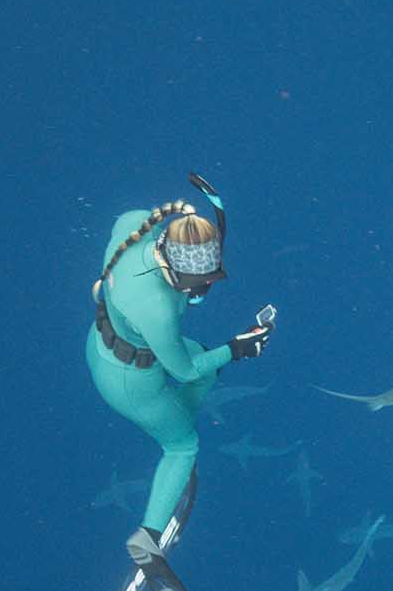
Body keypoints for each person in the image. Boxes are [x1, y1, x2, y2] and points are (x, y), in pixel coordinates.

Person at [85, 175, 272, 568]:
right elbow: (184, 372)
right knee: (183, 445)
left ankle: (176, 418)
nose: (201, 290)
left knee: (205, 360)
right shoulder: (158, 309)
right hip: (131, 382)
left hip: (102, 342)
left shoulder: (136, 225)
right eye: (197, 284)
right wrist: (238, 348)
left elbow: (142, 229)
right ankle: (147, 539)